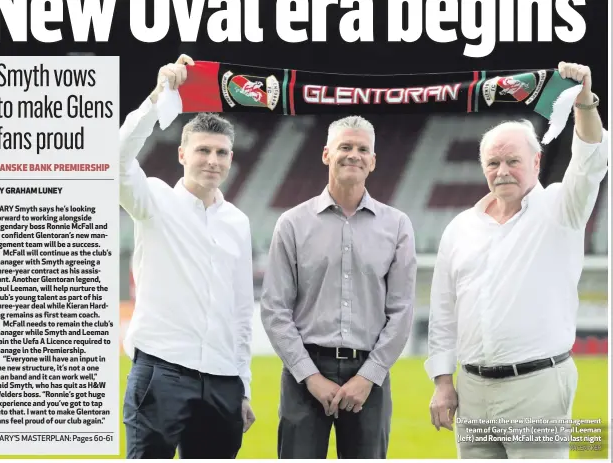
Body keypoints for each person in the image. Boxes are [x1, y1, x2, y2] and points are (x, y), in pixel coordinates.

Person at [425, 61, 608, 459]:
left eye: (513, 161)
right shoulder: (460, 227)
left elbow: (591, 160)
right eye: (493, 162)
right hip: (472, 392)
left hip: (537, 386)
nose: (502, 170)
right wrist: (443, 382)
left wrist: (585, 104)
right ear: (482, 168)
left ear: (537, 163)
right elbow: (443, 313)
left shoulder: (561, 207)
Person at [119, 54, 256, 459]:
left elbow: (240, 312)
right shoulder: (154, 200)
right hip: (161, 371)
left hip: (222, 381)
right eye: (202, 151)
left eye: (221, 152)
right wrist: (156, 98)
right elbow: (114, 162)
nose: (212, 160)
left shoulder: (238, 222)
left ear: (231, 159)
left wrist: (242, 386)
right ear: (182, 155)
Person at [260, 116, 417, 459]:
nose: (354, 155)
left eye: (363, 149)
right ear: (326, 154)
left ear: (373, 161)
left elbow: (401, 310)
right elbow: (274, 308)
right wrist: (310, 376)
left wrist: (369, 377)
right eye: (345, 147)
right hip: (305, 376)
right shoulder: (292, 223)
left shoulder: (397, 225)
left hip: (369, 378)